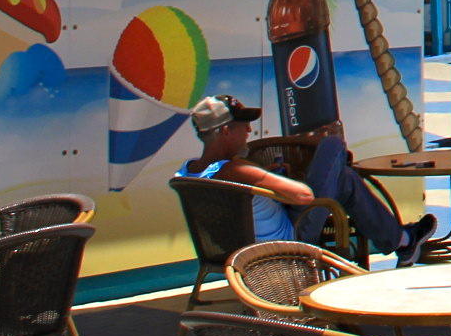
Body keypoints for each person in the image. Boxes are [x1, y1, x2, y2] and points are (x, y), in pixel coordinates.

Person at [181, 94, 435, 266]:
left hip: (239, 249)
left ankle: (403, 241)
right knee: (333, 144)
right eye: (242, 126)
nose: (249, 131)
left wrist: (270, 179)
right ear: (225, 130)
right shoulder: (236, 170)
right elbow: (304, 196)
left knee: (344, 179)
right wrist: (285, 181)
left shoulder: (187, 172)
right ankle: (401, 241)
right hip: (289, 241)